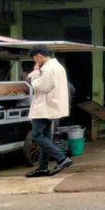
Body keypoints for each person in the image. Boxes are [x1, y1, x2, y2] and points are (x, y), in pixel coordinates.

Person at [25, 45, 73, 178]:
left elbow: (40, 86)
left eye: (35, 59)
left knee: (36, 136)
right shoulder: (57, 66)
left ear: (39, 56)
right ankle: (42, 167)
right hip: (50, 106)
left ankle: (62, 159)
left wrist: (34, 73)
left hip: (44, 107)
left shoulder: (48, 68)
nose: (35, 62)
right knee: (44, 138)